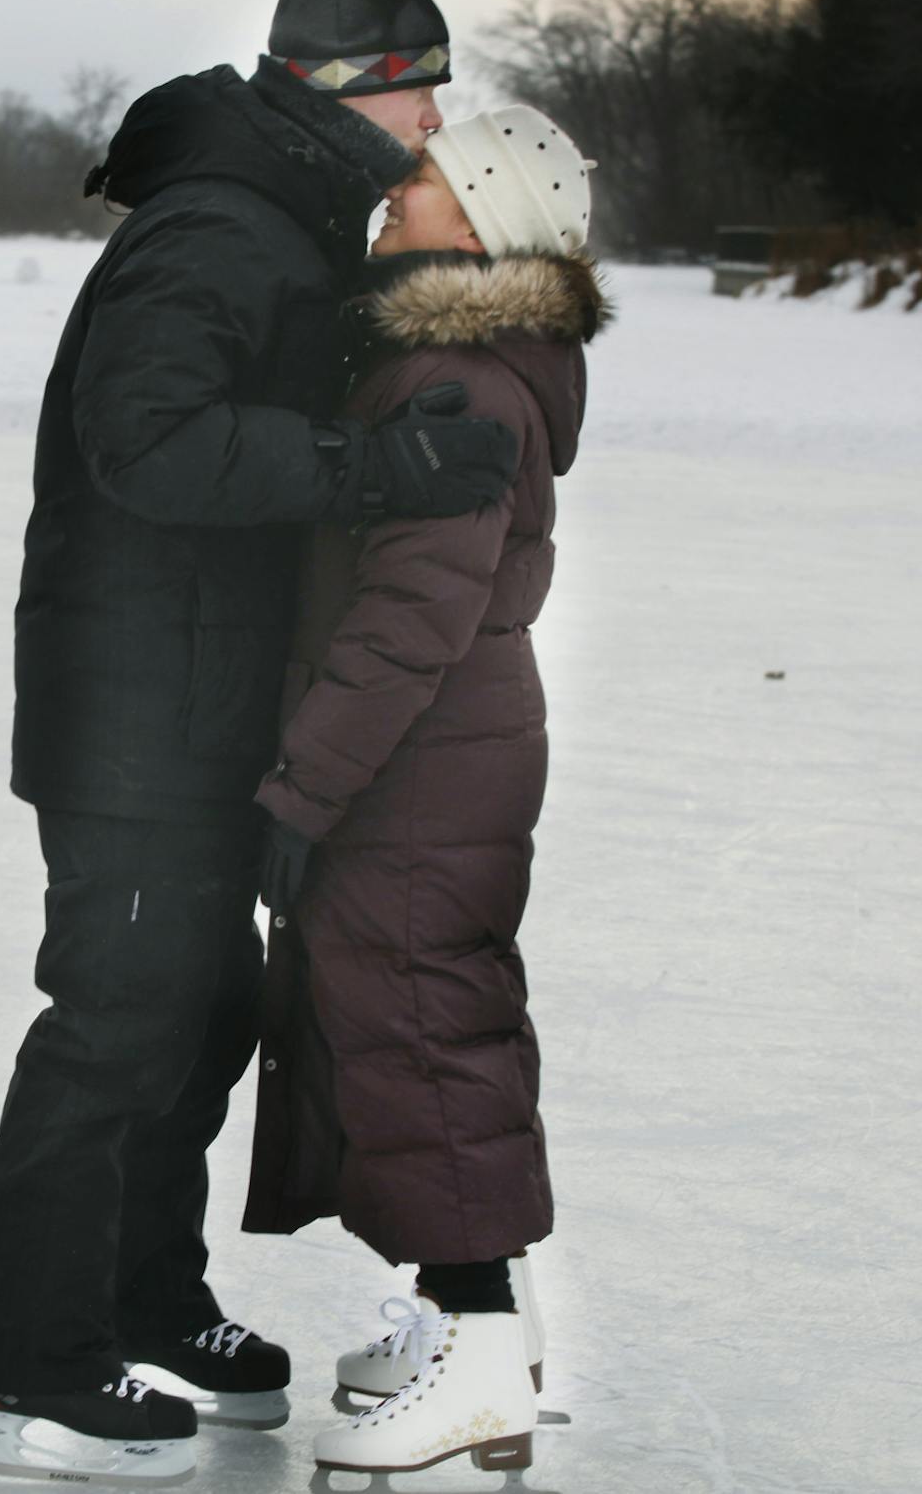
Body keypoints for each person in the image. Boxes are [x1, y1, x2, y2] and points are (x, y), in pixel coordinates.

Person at [0, 0, 524, 1486]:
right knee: (115, 1026)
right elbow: (146, 443)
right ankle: (27, 1368)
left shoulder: (284, 213)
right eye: (419, 84)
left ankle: (144, 1299)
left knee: (199, 1018)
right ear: (347, 90)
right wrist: (371, 471)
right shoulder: (220, 224)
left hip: (203, 710)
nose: (435, 116)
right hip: (136, 714)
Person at [243, 105, 609, 1478]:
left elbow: (409, 621)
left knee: (420, 1033)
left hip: (415, 759)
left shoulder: (453, 377)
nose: (398, 193)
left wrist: (299, 793)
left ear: (491, 222)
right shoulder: (467, 357)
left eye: (434, 182)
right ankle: (474, 1328)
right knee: (435, 1022)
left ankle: (477, 1358)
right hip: (451, 750)